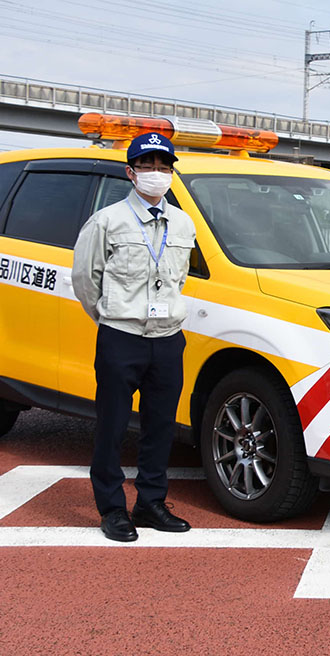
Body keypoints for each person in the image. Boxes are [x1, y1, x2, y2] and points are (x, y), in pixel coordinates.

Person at [72, 132, 197, 542]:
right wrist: (112, 319)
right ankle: (112, 509)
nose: (157, 174)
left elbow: (177, 278)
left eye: (164, 167)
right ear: (131, 172)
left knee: (160, 425)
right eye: (148, 166)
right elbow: (86, 280)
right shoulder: (107, 221)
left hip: (168, 338)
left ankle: (150, 503)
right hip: (121, 336)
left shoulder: (183, 223)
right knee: (111, 425)